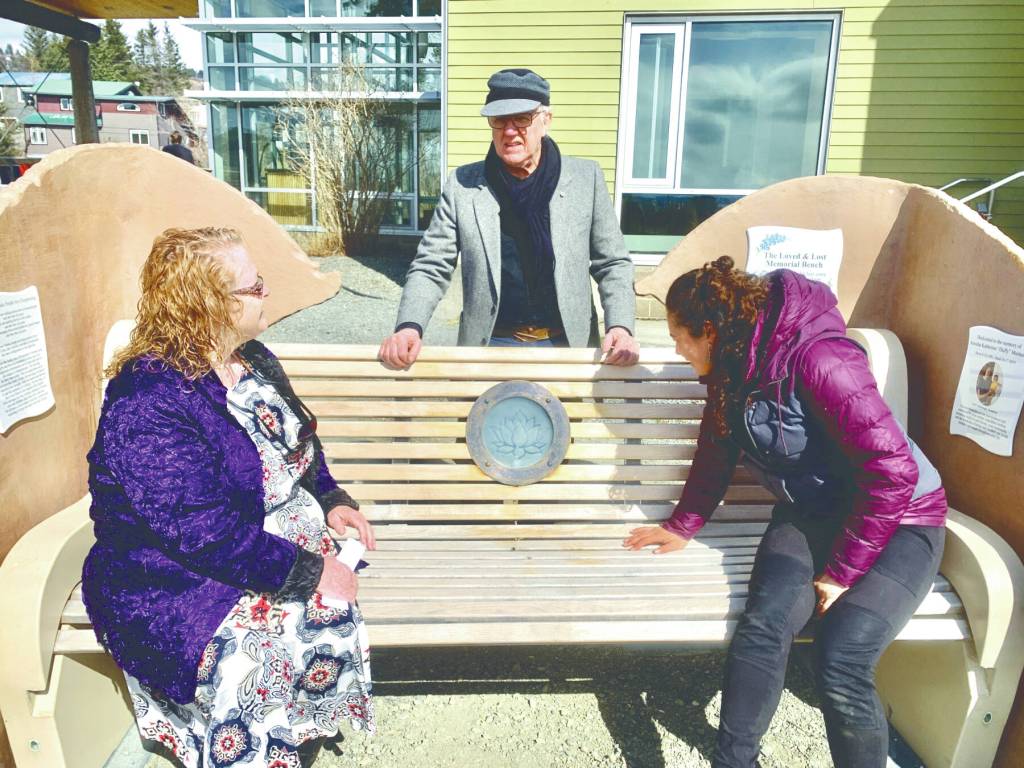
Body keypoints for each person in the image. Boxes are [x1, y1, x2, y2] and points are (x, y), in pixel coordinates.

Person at [624, 256, 948, 768]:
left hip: (900, 519)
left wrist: (841, 573)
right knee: (766, 623)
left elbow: (893, 471)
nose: (677, 349)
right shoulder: (731, 366)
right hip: (815, 510)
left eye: (679, 337)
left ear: (710, 331)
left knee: (841, 658)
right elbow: (716, 450)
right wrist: (683, 525)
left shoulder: (822, 359)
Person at [82, 227, 376, 768]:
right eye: (254, 287)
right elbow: (203, 534)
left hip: (260, 545)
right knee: (256, 657)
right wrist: (311, 572)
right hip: (175, 577)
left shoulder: (253, 359)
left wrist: (331, 496)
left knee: (327, 614)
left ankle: (293, 733)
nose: (267, 293)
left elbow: (298, 445)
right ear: (210, 303)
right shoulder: (150, 400)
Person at [378, 68, 639, 368]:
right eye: (500, 120)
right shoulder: (463, 185)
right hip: (491, 344)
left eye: (522, 119)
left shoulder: (585, 179)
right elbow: (431, 264)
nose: (510, 131)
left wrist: (621, 327)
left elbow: (613, 263)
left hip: (567, 344)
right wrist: (409, 326)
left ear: (546, 121)